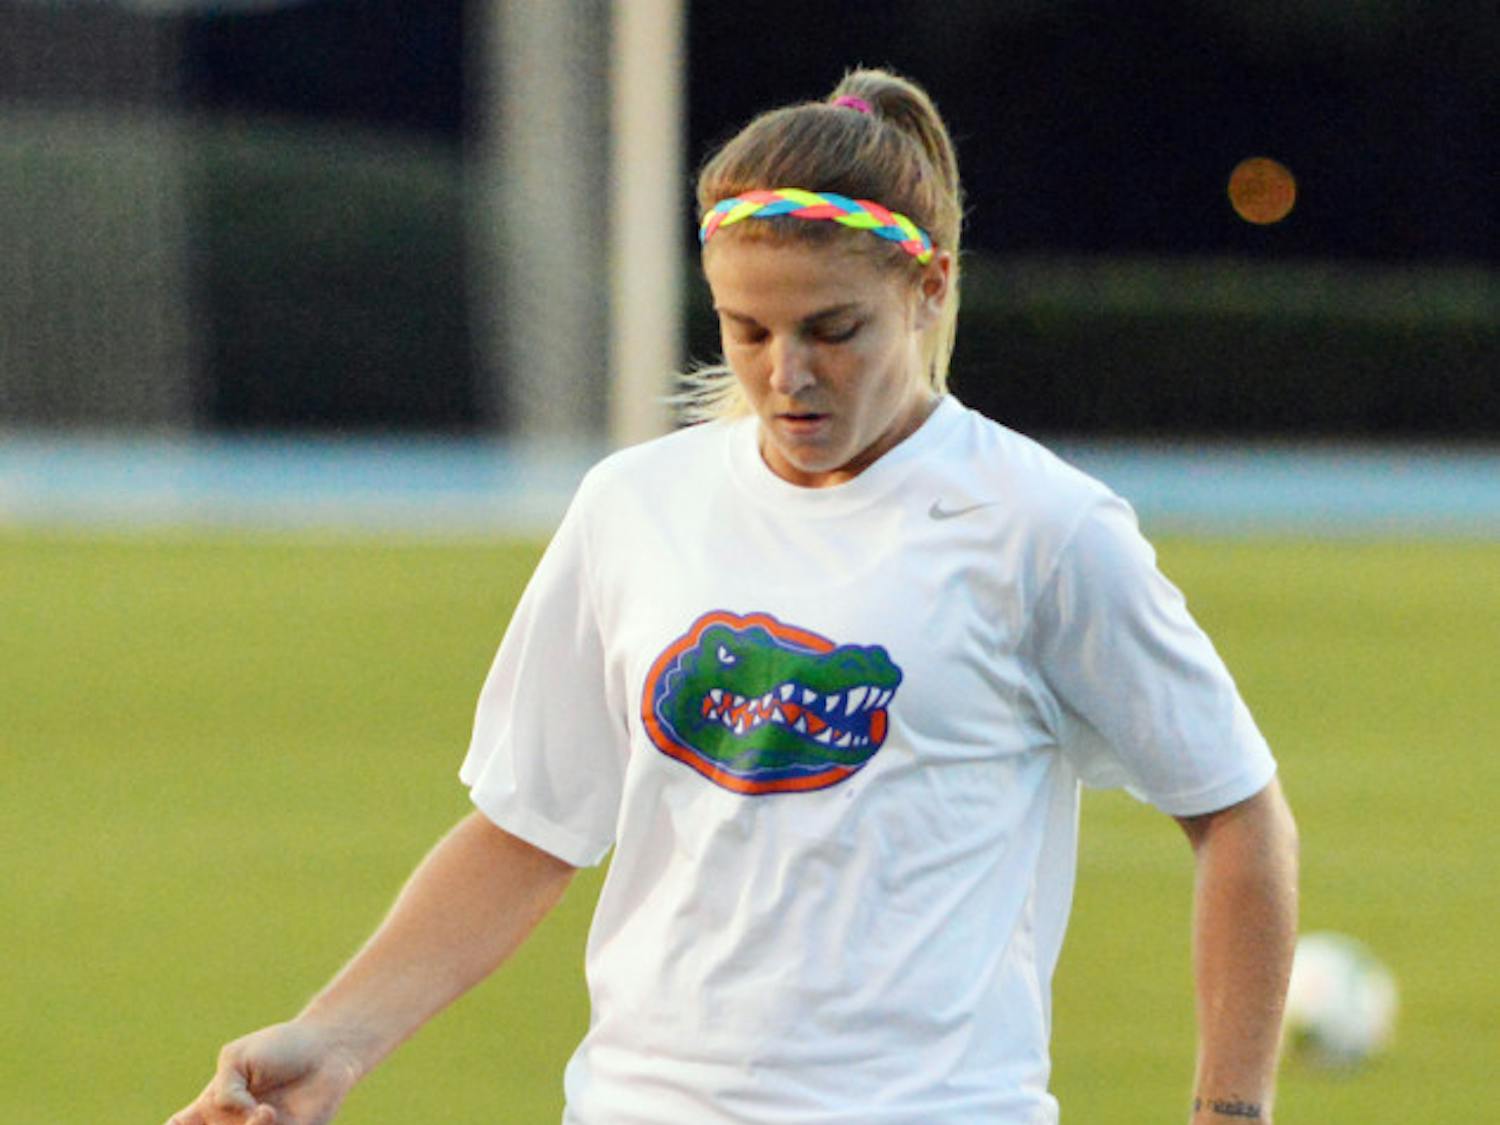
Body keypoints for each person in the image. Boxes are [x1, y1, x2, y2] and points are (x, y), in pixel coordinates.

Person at [168, 68, 1298, 1125]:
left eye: (831, 330)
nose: (785, 375)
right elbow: (528, 827)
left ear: (928, 287)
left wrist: (1228, 1111)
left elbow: (1237, 812)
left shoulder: (1041, 529)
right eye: (746, 330)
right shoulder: (635, 506)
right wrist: (340, 1036)